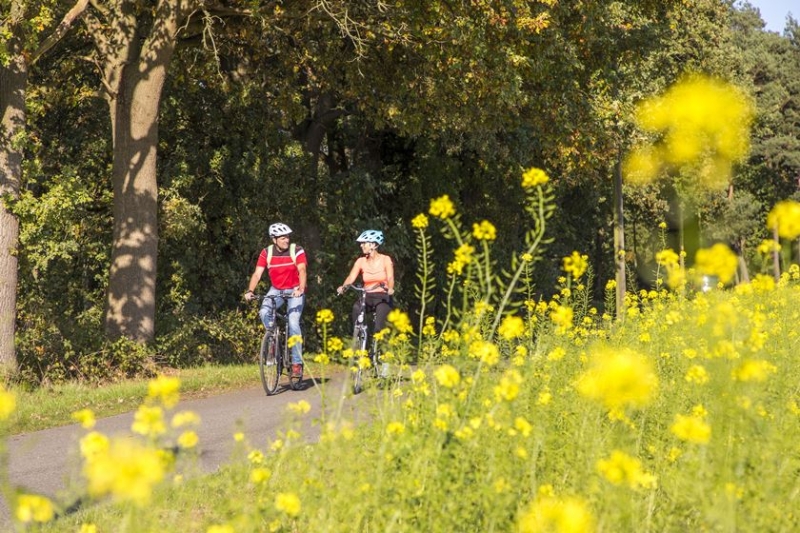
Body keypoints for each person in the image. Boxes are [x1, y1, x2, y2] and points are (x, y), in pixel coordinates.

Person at [245, 222, 308, 379]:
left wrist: (300, 289)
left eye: (287, 237)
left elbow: (302, 270)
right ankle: (273, 341)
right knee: (264, 311)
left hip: (294, 289)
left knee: (293, 322)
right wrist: (250, 291)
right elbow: (257, 274)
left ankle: (296, 364)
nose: (286, 240)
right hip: (277, 289)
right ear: (274, 239)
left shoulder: (297, 250)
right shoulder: (266, 253)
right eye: (282, 238)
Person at [336, 230, 395, 334]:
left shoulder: (385, 259)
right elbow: (351, 277)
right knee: (356, 308)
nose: (361, 245)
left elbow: (390, 277)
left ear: (374, 245)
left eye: (364, 243)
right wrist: (344, 287)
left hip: (383, 296)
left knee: (378, 328)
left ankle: (378, 347)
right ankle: (357, 338)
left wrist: (390, 288)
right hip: (367, 296)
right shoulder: (361, 261)